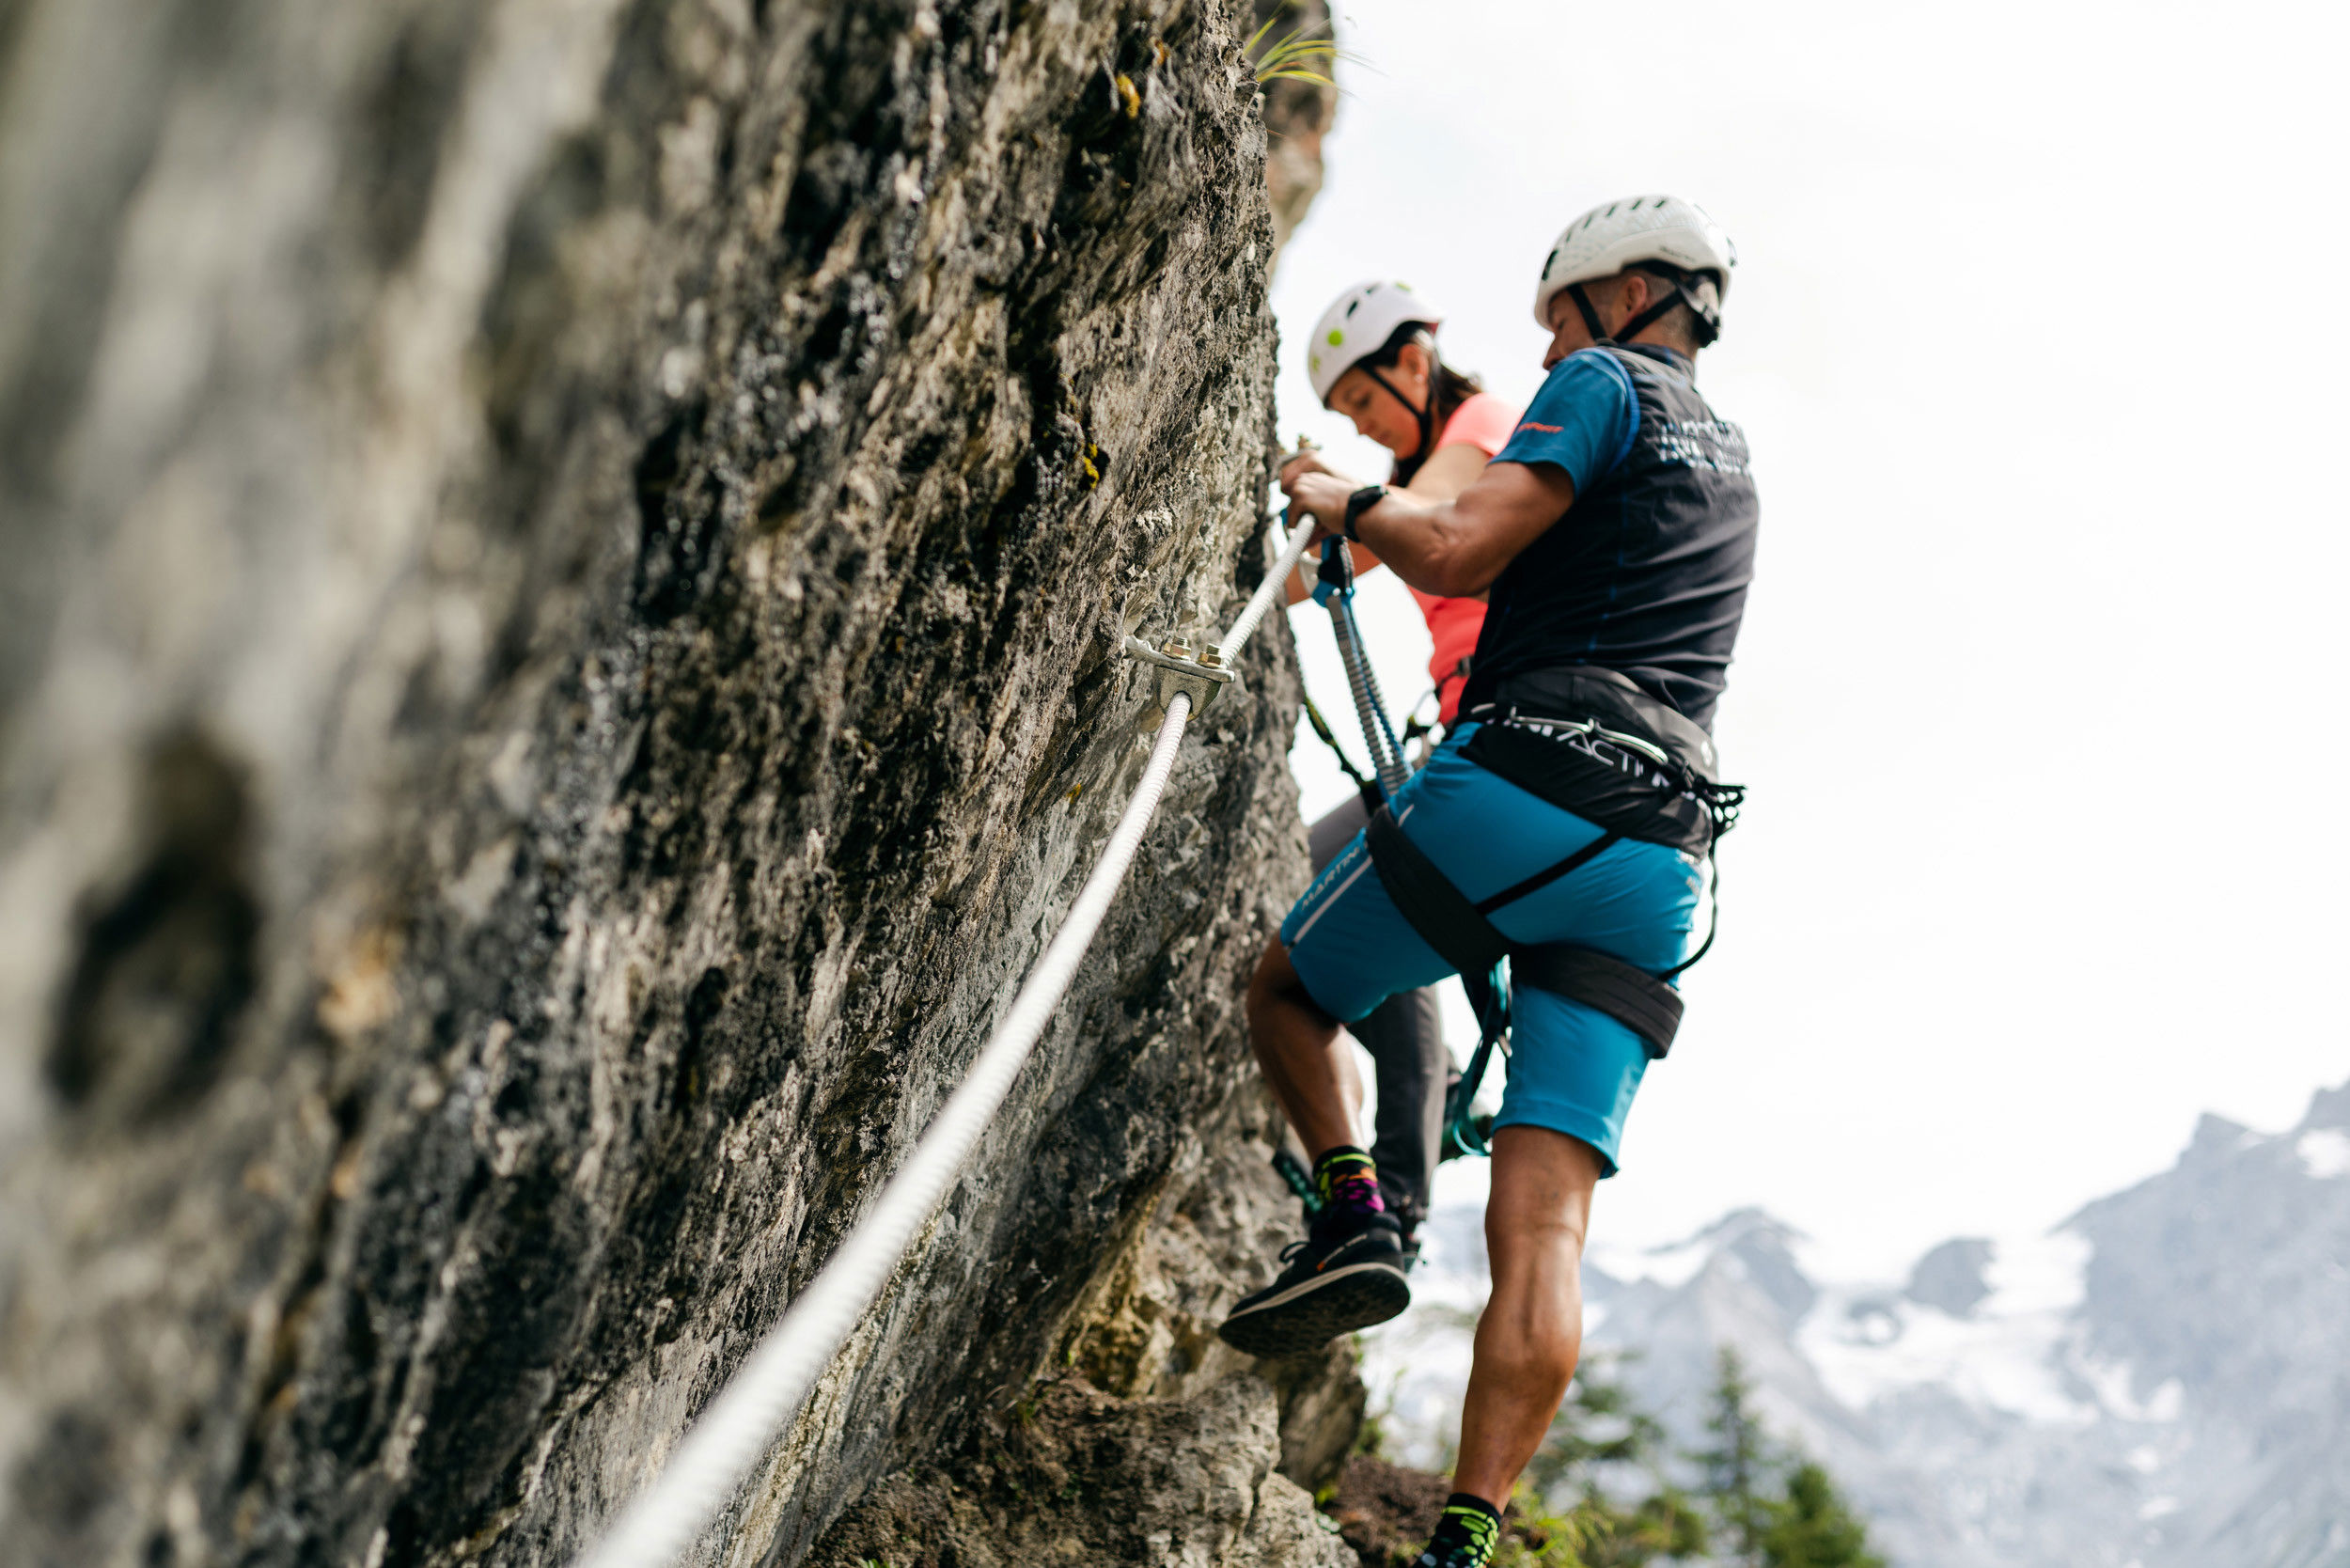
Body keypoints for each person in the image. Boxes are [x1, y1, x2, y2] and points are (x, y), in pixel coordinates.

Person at [1220, 196, 1759, 1568]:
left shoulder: (1596, 383)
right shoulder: (1736, 454)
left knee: (1289, 987)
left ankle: (1359, 1204)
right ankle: (1466, 1538)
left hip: (1525, 776)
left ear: (1628, 291)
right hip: (1663, 860)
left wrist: (1340, 497)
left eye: (1563, 311)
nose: (1552, 340)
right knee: (1550, 1230)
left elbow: (1453, 547)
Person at [1283, 280, 1521, 1258]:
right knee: (1342, 891)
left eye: (1367, 401)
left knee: (1326, 881)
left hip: (1494, 739)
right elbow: (1310, 576)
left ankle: (1397, 1196)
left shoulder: (1482, 424)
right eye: (1347, 417)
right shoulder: (1426, 455)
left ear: (1413, 362)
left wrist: (1330, 492)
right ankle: (1402, 1176)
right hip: (1466, 736)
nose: (1366, 426)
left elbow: (1413, 516)